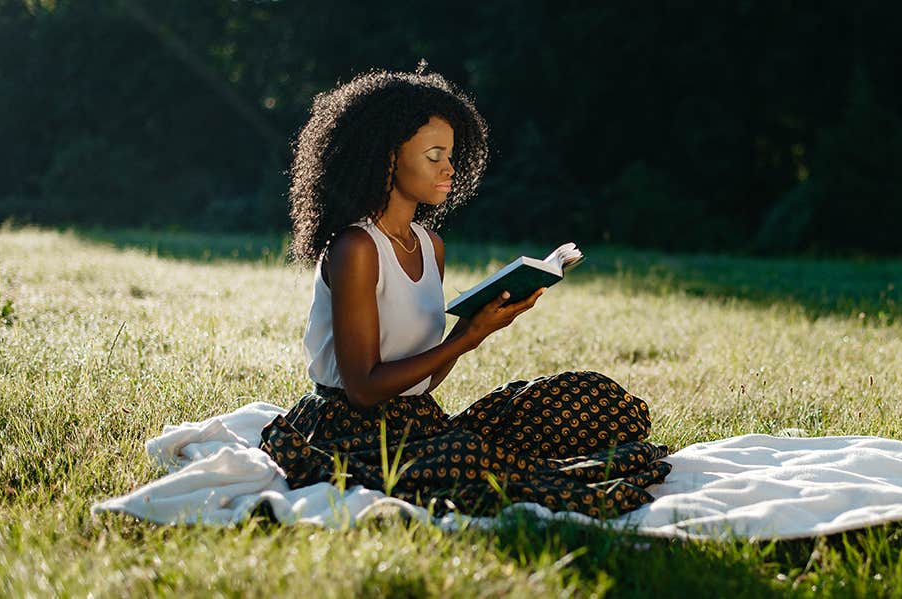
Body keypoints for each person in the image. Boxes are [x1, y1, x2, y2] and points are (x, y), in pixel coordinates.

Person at [258, 65, 671, 517]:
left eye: (451, 155)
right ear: (387, 157)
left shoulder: (430, 245)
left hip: (420, 421)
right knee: (478, 463)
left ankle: (478, 454)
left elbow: (422, 381)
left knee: (592, 399)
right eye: (434, 155)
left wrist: (483, 327)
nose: (449, 168)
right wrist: (466, 337)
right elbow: (363, 390)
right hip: (345, 433)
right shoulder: (355, 248)